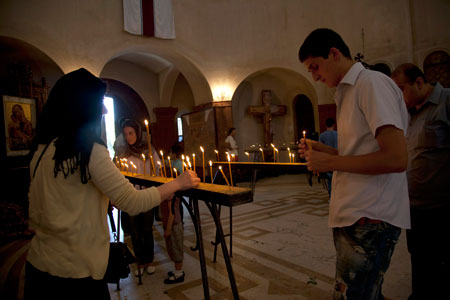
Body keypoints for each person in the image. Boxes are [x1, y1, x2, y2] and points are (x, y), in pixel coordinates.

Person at [24, 68, 200, 300]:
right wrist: (178, 183)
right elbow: (132, 201)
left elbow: (35, 208)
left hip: (38, 269)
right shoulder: (89, 150)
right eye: (99, 102)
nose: (105, 109)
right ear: (82, 104)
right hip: (77, 275)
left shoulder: (40, 150)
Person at [298, 28, 410, 300]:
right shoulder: (347, 91)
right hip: (358, 213)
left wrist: (330, 162)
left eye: (315, 66)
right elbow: (364, 151)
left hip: (371, 215)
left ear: (334, 53)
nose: (314, 76)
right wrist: (327, 151)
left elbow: (396, 157)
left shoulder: (370, 84)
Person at [391, 63, 450, 300]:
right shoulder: (409, 114)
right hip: (415, 207)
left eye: (401, 89)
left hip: (444, 208)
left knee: (443, 260)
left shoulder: (446, 101)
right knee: (419, 256)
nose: (399, 97)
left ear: (418, 82)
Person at [113, 118, 161, 277]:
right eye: (125, 134)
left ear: (138, 132)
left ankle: (149, 261)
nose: (128, 137)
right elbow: (116, 172)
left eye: (131, 133)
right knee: (134, 231)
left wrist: (153, 177)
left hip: (146, 194)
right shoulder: (122, 152)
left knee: (147, 229)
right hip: (130, 195)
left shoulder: (148, 148)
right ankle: (139, 261)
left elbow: (158, 166)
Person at [318, 117, 338, 198]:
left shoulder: (322, 135)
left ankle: (331, 196)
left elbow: (319, 148)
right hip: (337, 158)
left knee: (329, 179)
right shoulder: (338, 134)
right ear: (334, 124)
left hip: (327, 159)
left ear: (326, 125)